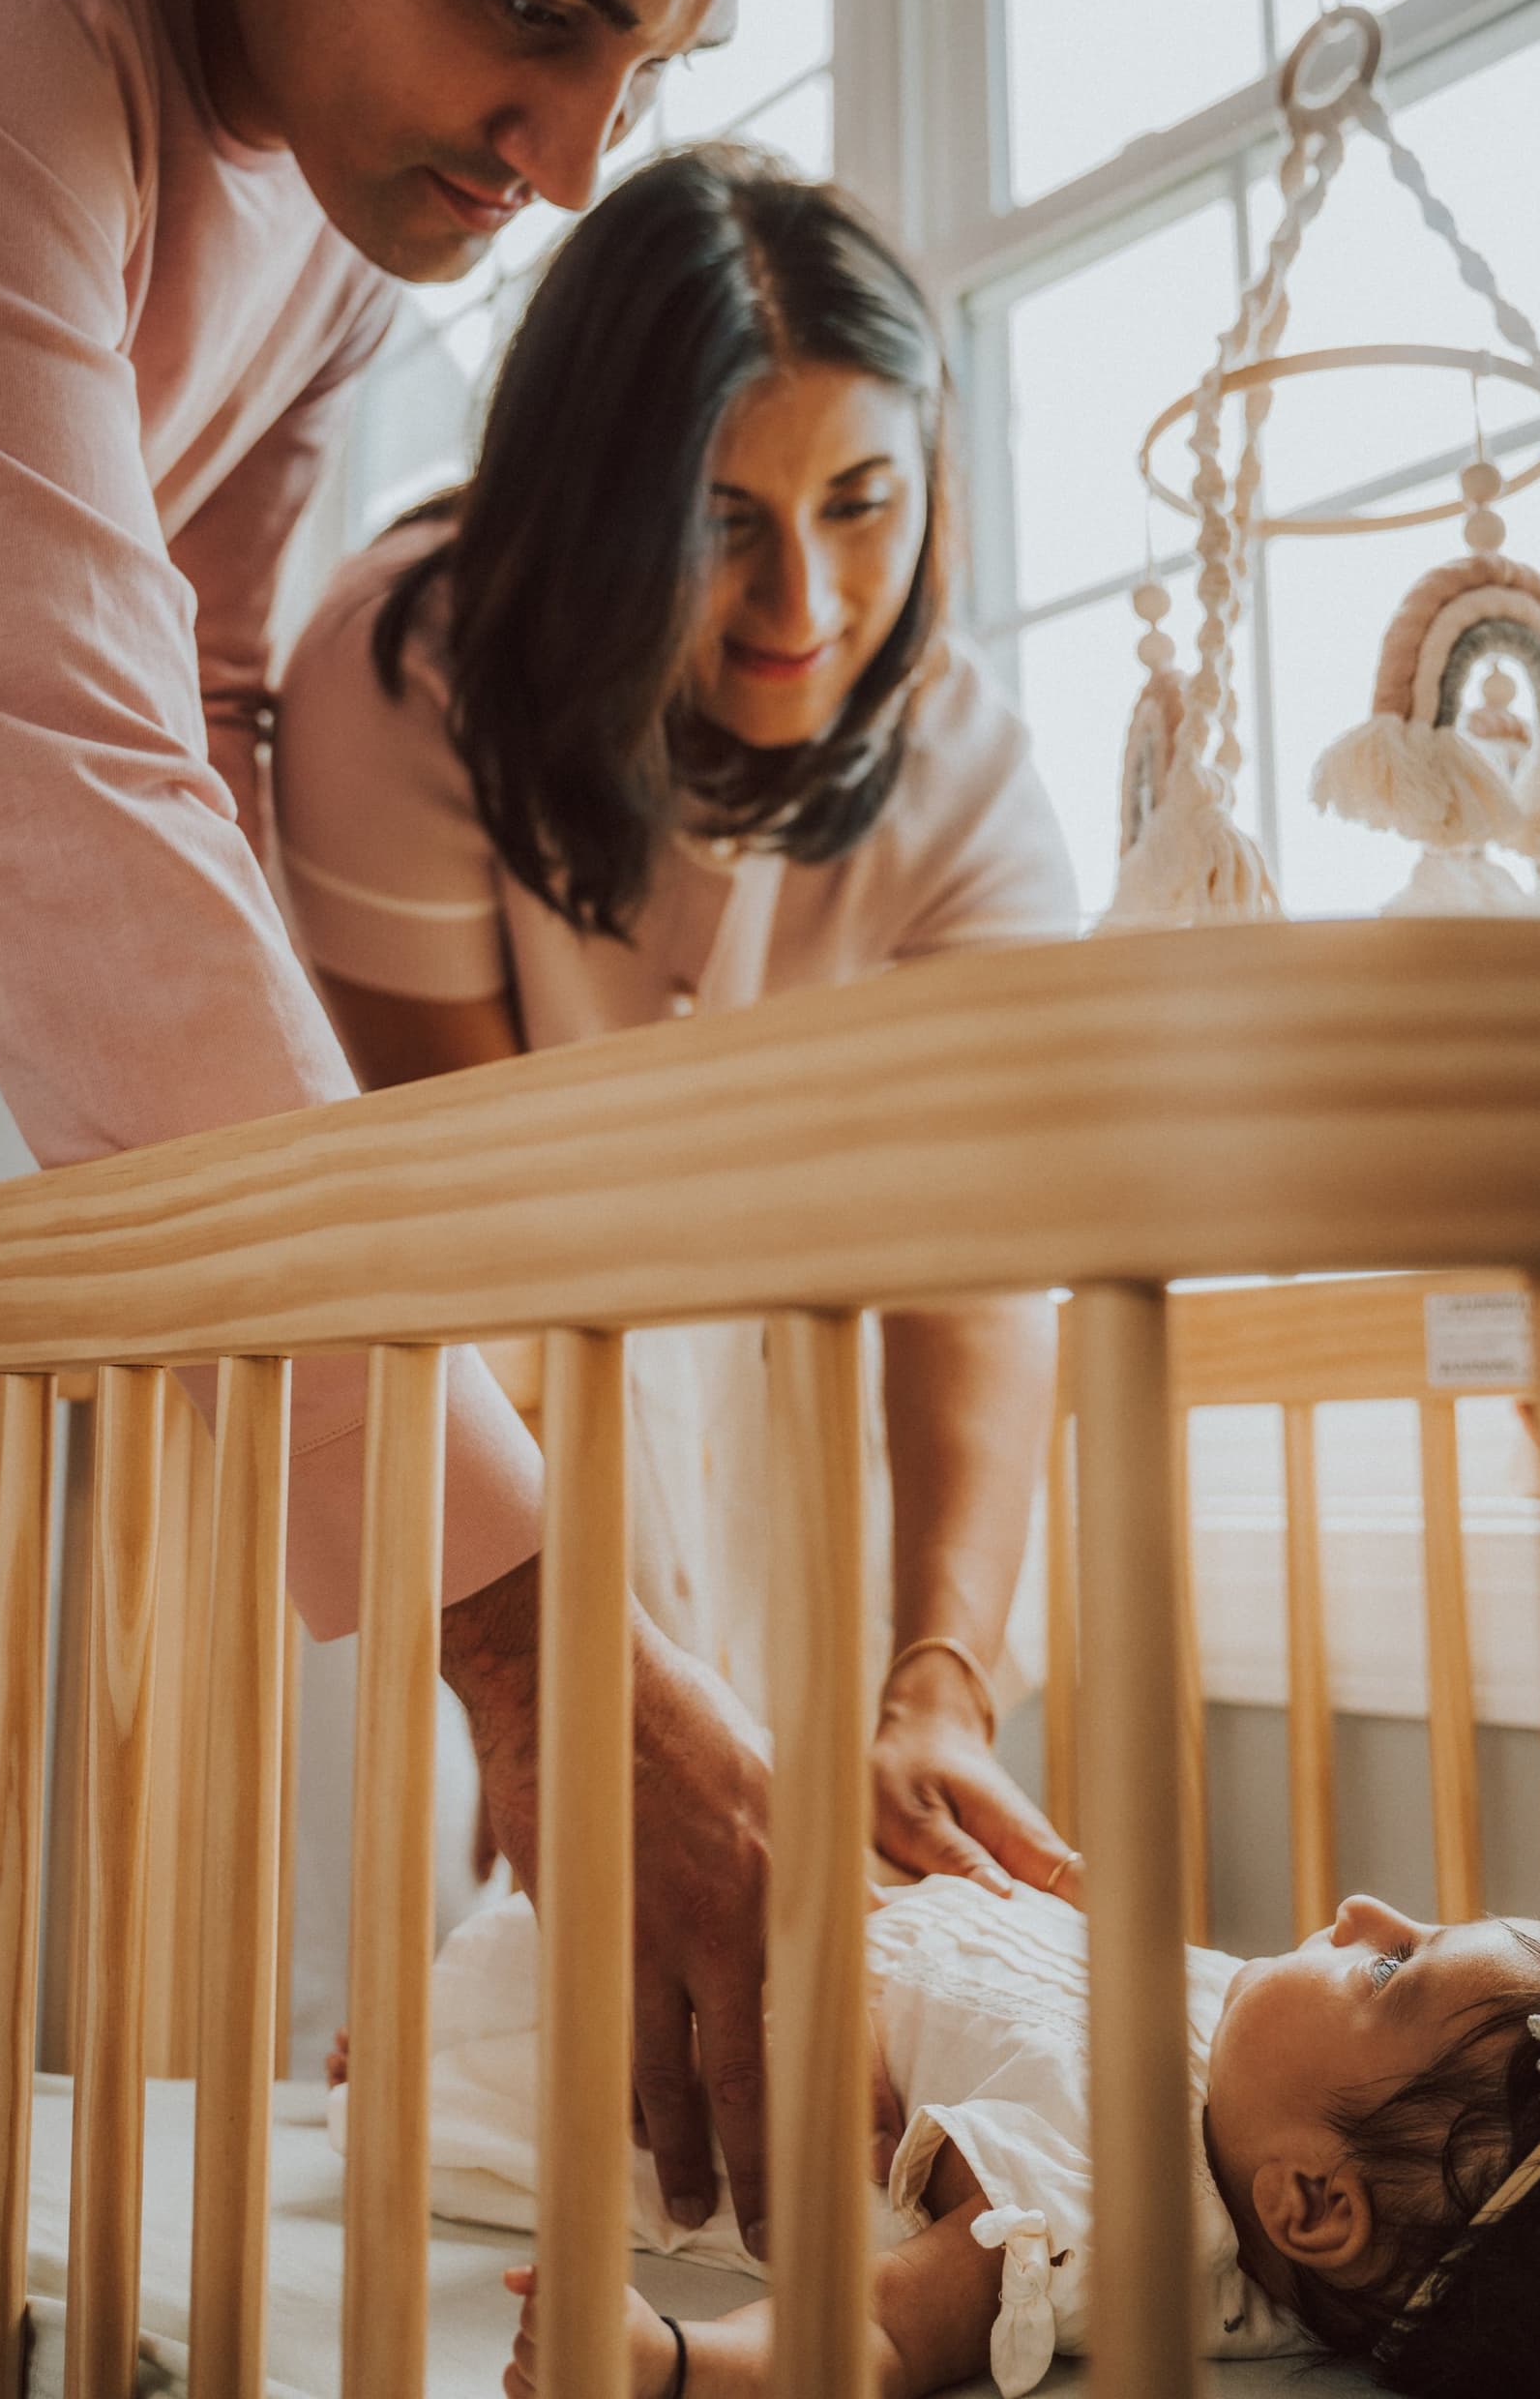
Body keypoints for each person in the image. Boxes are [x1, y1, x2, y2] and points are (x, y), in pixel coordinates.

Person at [0, 0, 924, 2280]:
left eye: (633, 56)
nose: (555, 156)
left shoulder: (322, 198)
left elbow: (210, 727)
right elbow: (77, 819)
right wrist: (524, 1628)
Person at [273, 146, 1081, 1903]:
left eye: (862, 502)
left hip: (819, 1404)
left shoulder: (964, 773)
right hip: (512, 1394)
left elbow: (977, 1261)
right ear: (598, 501)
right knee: (526, 1969)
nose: (802, 608)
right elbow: (485, 1251)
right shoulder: (402, 675)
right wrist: (598, 1699)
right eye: (723, 522)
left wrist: (934, 1674)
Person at [480, 1882, 1540, 2398]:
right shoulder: (1246, 2071)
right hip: (775, 1919)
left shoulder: (1127, 2206)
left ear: (1310, 2207)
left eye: (1387, 1966)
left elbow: (881, 2327)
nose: (1359, 1909)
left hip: (632, 2038)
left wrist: (674, 2362)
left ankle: (419, 2044)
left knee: (469, 2029)